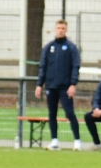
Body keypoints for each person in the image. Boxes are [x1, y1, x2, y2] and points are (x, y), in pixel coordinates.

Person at [35, 20, 82, 151]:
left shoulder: (71, 47)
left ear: (66, 30)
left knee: (69, 113)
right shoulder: (48, 47)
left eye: (63, 28)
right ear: (55, 29)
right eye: (58, 28)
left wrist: (73, 84)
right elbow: (43, 67)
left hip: (65, 87)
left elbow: (75, 67)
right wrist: (39, 84)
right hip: (51, 86)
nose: (60, 30)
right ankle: (54, 141)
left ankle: (77, 141)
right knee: (52, 113)